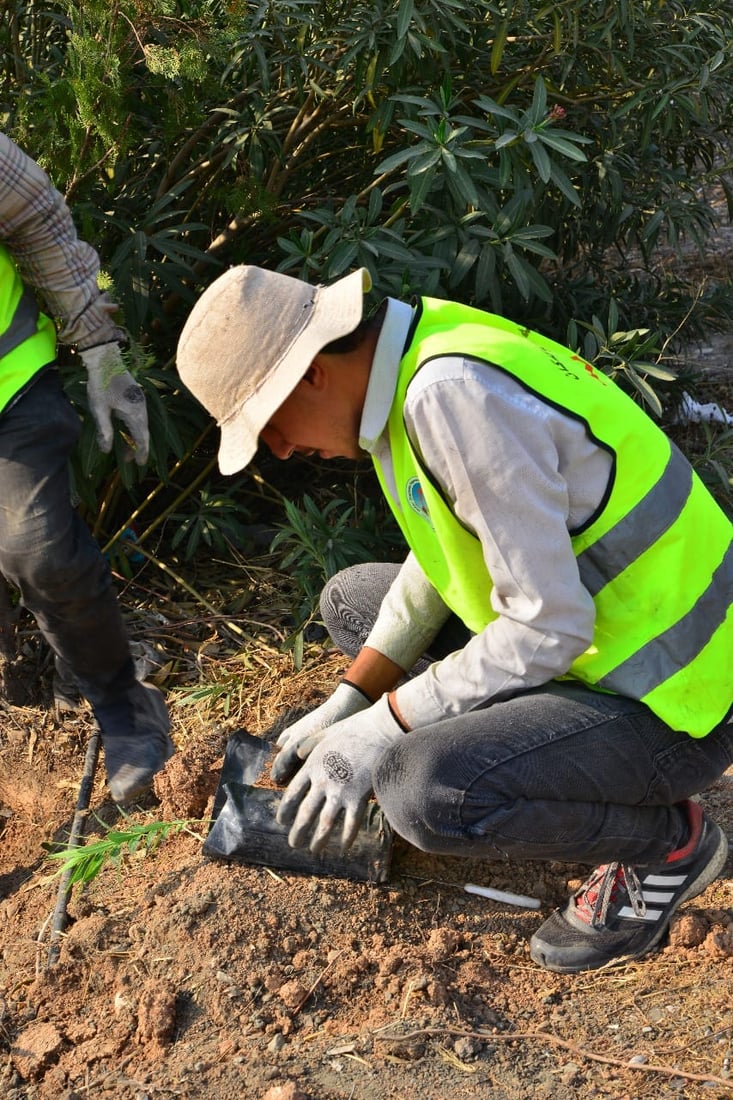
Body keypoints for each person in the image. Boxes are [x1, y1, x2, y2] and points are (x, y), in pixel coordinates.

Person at [176, 263, 732, 973]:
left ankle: (665, 845)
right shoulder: (420, 357)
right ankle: (510, 741)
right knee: (353, 600)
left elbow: (547, 629)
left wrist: (384, 726)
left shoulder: (453, 400)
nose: (279, 450)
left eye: (270, 424)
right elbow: (446, 552)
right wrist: (350, 699)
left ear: (311, 371)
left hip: (678, 695)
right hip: (602, 639)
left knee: (422, 791)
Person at [0, 131, 174, 803]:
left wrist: (101, 352)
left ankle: (126, 709)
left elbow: (39, 216)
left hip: (11, 388)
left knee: (39, 552)